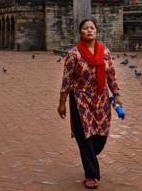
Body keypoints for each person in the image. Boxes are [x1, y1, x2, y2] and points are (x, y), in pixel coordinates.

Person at [57, 19, 122, 189]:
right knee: (85, 136)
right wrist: (62, 102)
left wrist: (116, 94)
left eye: (92, 28)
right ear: (80, 33)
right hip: (81, 100)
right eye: (85, 28)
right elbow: (67, 80)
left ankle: (90, 156)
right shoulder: (73, 54)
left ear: (96, 31)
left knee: (100, 137)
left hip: (101, 100)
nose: (89, 31)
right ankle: (91, 175)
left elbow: (111, 76)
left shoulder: (105, 52)